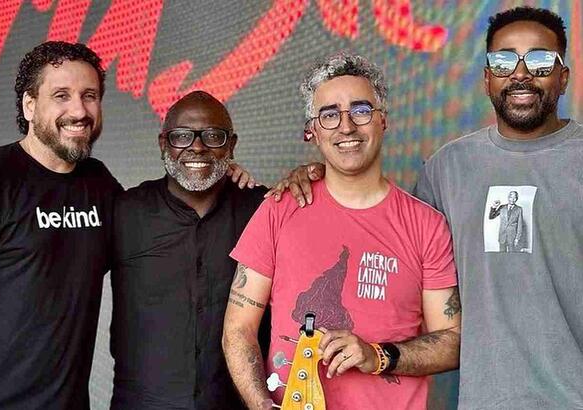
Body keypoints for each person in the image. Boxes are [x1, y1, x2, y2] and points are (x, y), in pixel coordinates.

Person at [222, 53, 461, 410]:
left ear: (383, 121)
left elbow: (453, 341)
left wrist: (376, 355)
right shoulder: (279, 208)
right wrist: (261, 406)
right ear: (312, 131)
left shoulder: (426, 225)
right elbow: (238, 330)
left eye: (361, 110)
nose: (346, 126)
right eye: (329, 114)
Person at [413, 7, 583, 407]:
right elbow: (389, 249)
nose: (521, 73)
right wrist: (316, 175)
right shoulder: (445, 169)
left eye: (540, 60)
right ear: (487, 78)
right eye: (504, 60)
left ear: (563, 77)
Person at [0, 41, 121, 409]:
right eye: (61, 95)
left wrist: (222, 176)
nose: (79, 110)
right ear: (30, 105)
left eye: (90, 96)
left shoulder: (101, 185)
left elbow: (160, 227)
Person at [110, 91, 270, 410]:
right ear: (163, 144)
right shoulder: (124, 212)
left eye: (213, 136)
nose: (197, 147)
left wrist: (309, 175)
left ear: (231, 144)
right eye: (182, 136)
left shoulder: (264, 211)